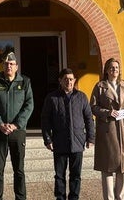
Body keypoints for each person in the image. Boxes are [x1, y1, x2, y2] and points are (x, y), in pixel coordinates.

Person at [0, 51, 34, 200]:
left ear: (16, 67)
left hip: (17, 132)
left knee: (19, 169)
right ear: (3, 66)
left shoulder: (25, 82)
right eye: (6, 64)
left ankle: (20, 198)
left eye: (12, 64)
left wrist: (16, 125)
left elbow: (29, 105)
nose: (9, 66)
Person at [41, 68, 95, 200]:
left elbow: (89, 118)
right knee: (59, 176)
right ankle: (60, 197)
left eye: (71, 79)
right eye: (66, 79)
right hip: (59, 142)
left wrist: (91, 138)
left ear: (74, 80)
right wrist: (47, 139)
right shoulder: (52, 98)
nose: (69, 82)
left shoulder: (81, 97)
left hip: (77, 142)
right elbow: (45, 120)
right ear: (60, 81)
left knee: (76, 175)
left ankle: (74, 197)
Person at [90, 57, 124, 200]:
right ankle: (109, 198)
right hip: (107, 130)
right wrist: (107, 113)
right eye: (111, 67)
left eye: (116, 67)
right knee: (107, 167)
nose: (114, 70)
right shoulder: (100, 87)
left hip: (123, 130)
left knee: (123, 167)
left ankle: (121, 197)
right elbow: (93, 107)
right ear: (106, 70)